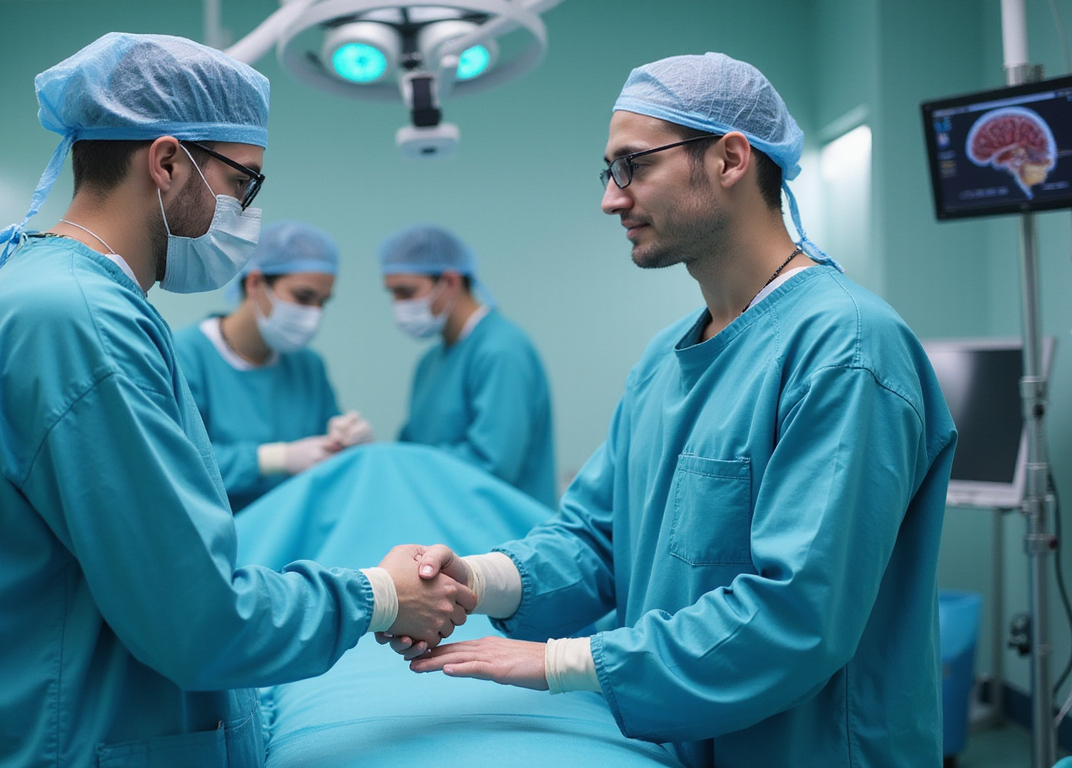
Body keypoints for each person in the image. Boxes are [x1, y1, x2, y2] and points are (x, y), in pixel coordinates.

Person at [0, 33, 474, 768]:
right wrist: (378, 595)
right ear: (167, 162)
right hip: (69, 739)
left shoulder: (62, 298)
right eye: (244, 183)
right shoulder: (81, 322)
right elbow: (198, 617)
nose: (249, 214)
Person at [399, 53, 957, 768]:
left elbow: (797, 616)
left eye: (633, 165)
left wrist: (561, 663)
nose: (612, 198)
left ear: (729, 158)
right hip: (675, 742)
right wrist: (472, 581)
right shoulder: (667, 357)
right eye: (609, 172)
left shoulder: (845, 350)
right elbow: (598, 537)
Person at [174, 220, 373, 511]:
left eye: (322, 301)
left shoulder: (307, 366)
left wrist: (347, 442)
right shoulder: (186, 355)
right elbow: (177, 462)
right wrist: (274, 459)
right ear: (255, 283)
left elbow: (328, 462)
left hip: (294, 528)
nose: (313, 313)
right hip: (217, 534)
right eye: (303, 297)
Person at [379, 224, 557, 507]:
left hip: (507, 532)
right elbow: (410, 450)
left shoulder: (502, 350)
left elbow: (494, 464)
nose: (398, 305)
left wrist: (404, 467)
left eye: (406, 292)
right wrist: (371, 454)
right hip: (449, 525)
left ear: (450, 282)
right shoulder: (430, 363)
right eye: (392, 294)